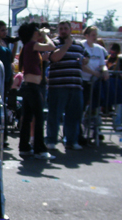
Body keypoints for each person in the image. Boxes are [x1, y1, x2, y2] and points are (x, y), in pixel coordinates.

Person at [46, 21, 89, 151]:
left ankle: (72, 140)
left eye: (65, 28)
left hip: (75, 86)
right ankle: (51, 140)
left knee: (74, 116)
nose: (63, 31)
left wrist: (84, 60)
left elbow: (86, 59)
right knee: (54, 115)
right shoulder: (53, 43)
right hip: (58, 87)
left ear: (70, 30)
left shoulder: (79, 45)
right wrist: (67, 45)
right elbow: (54, 58)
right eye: (61, 29)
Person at [17, 22, 56, 160]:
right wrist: (45, 35)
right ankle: (40, 150)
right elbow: (52, 46)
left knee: (27, 118)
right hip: (32, 88)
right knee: (39, 118)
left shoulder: (28, 46)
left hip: (29, 86)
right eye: (36, 31)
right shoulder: (31, 44)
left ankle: (24, 147)